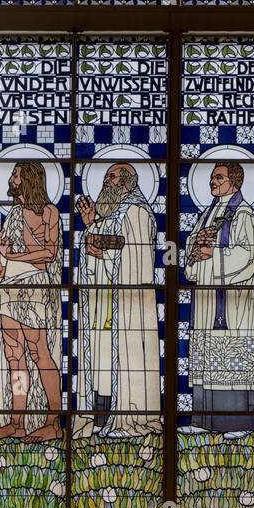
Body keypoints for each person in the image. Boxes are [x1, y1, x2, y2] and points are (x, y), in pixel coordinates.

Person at [76, 163, 162, 437]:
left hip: (128, 306)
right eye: (104, 177)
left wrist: (101, 251)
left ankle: (131, 417)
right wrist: (91, 228)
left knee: (126, 358)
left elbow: (134, 255)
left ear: (126, 183)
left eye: (110, 177)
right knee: (102, 360)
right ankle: (101, 418)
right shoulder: (112, 214)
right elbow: (101, 243)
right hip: (105, 303)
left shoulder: (137, 212)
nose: (105, 183)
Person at [0, 161, 63, 442]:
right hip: (9, 289)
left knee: (40, 354)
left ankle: (53, 422)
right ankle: (17, 422)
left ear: (29, 179)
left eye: (16, 175)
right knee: (14, 357)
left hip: (33, 287)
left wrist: (12, 258)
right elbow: (2, 255)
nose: (12, 179)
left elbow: (48, 254)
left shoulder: (50, 213)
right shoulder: (13, 215)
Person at [185, 162, 254, 433]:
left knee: (234, 358)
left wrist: (214, 255)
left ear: (235, 182)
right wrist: (196, 250)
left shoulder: (244, 214)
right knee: (207, 357)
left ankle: (238, 422)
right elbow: (190, 251)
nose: (212, 181)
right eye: (211, 177)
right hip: (207, 301)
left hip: (233, 303)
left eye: (218, 177)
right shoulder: (207, 214)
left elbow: (251, 253)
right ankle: (203, 421)